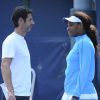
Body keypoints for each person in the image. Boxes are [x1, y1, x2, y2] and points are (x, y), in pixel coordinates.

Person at [61, 11, 98, 100]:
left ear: (80, 26)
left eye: (71, 25)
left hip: (81, 95)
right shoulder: (81, 42)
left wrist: (76, 95)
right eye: (67, 25)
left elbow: (84, 71)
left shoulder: (84, 43)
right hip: (72, 93)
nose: (68, 28)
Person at [1, 6, 34, 100]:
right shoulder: (11, 40)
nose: (33, 22)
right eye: (30, 20)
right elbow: (4, 65)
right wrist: (11, 93)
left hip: (23, 94)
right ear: (20, 21)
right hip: (15, 96)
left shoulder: (22, 40)